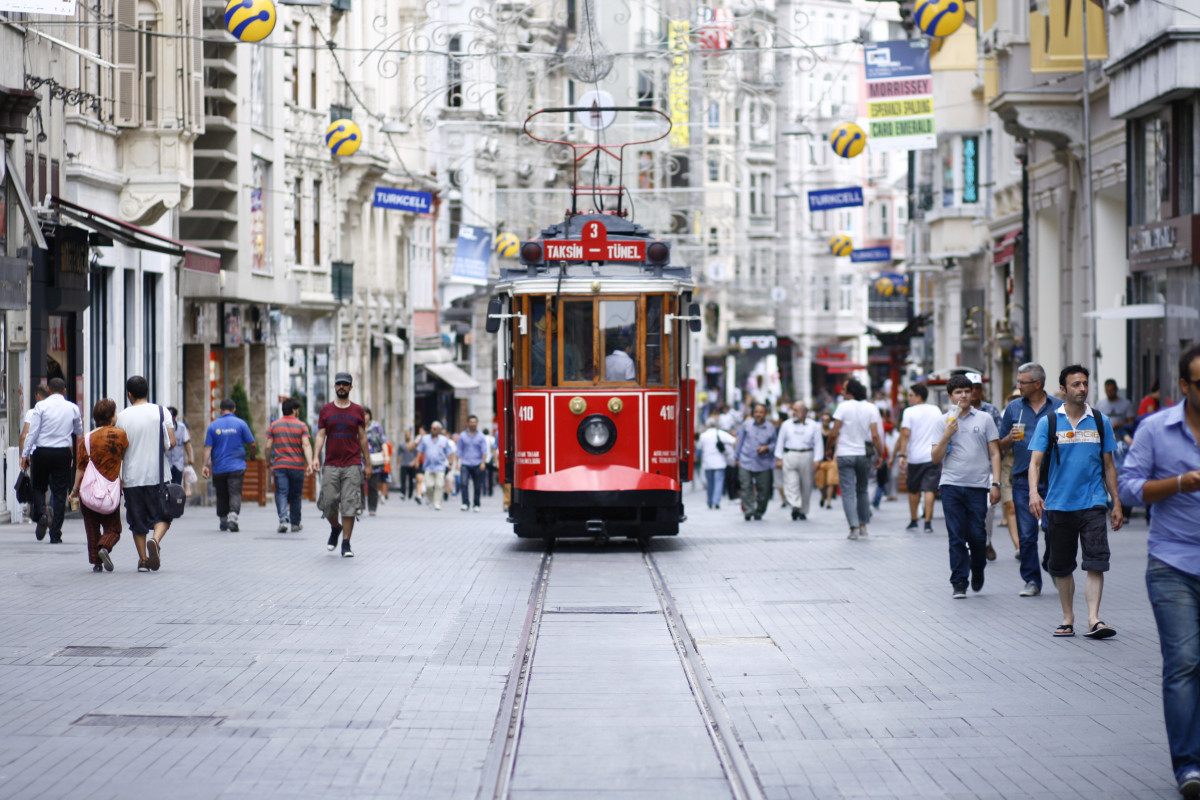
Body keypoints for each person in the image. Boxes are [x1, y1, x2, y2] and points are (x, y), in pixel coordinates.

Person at [1118, 343, 1200, 798]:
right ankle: (1189, 765)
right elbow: (1129, 491)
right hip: (1174, 562)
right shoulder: (1155, 429)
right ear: (1185, 386)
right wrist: (1178, 483)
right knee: (1184, 662)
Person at [1028, 364, 1122, 640]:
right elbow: (1035, 463)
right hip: (1058, 504)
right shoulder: (1050, 422)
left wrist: (1116, 502)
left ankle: (1093, 619)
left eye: (1085, 384)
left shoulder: (1100, 420)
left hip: (1093, 502)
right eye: (1076, 385)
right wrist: (1035, 493)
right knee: (1062, 565)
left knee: (1095, 561)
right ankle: (1068, 617)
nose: (1082, 389)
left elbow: (1109, 466)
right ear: (1063, 389)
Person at [932, 374, 1001, 599]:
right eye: (958, 392)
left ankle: (978, 568)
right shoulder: (942, 421)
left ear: (973, 393)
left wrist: (996, 483)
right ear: (950, 396)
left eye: (966, 391)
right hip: (951, 484)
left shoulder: (984, 419)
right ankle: (959, 581)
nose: (963, 395)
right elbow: (935, 457)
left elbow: (994, 452)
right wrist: (947, 435)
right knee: (956, 535)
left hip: (978, 485)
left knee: (978, 535)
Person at [999, 362, 1063, 598]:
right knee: (1026, 534)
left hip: (1054, 478)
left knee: (1052, 529)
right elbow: (999, 445)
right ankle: (1031, 580)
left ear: (1037, 384)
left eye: (1022, 382)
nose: (1018, 386)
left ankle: (1049, 563)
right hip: (1022, 478)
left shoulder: (1059, 408)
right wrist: (1009, 438)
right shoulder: (1014, 408)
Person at [115, 375, 176, 572]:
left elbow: (119, 449)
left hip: (132, 477)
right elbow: (172, 442)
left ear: (129, 394)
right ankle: (155, 540)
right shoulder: (161, 411)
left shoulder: (122, 417)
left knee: (137, 520)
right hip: (158, 476)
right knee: (164, 515)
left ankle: (142, 561)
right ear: (147, 391)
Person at [309, 372, 369, 557]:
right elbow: (320, 435)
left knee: (350, 504)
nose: (341, 387)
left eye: (345, 384)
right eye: (338, 384)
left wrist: (367, 462)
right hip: (331, 463)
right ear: (334, 387)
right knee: (328, 503)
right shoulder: (326, 410)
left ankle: (346, 543)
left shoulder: (357, 410)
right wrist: (315, 457)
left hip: (352, 463)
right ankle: (336, 527)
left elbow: (363, 437)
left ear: (351, 387)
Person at [20, 377, 82, 543]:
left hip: (42, 451)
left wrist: (25, 454)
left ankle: (41, 513)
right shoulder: (72, 408)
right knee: (60, 492)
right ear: (64, 391)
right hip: (62, 452)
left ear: (48, 390)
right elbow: (78, 429)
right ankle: (56, 534)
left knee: (39, 486)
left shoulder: (41, 406)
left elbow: (33, 432)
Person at [69, 398, 128, 572]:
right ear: (111, 417)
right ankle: (104, 547)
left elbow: (80, 468)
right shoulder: (120, 435)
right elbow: (124, 455)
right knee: (114, 528)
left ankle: (96, 562)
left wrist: (74, 490)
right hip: (110, 490)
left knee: (92, 528)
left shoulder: (87, 439)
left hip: (88, 491)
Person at [827, 378, 884, 539]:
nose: (842, 392)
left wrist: (828, 449)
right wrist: (880, 455)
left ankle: (853, 528)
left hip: (845, 453)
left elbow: (834, 432)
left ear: (850, 391)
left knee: (848, 492)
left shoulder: (843, 407)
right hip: (864, 454)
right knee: (862, 489)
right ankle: (864, 525)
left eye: (844, 389)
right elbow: (875, 435)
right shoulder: (871, 408)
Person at [201, 399, 257, 532]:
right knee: (235, 492)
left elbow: (208, 447)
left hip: (219, 467)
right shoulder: (241, 424)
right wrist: (252, 455)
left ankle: (223, 519)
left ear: (220, 410)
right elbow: (252, 444)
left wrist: (204, 465)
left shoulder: (213, 426)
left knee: (221, 494)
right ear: (234, 410)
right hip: (237, 466)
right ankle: (233, 517)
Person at [893, 383, 942, 533]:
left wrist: (902, 454)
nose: (908, 398)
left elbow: (905, 434)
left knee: (913, 489)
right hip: (932, 455)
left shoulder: (908, 412)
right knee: (929, 489)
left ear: (918, 396)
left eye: (910, 395)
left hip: (914, 457)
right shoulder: (936, 410)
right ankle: (927, 522)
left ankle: (914, 519)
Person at [969, 373, 1004, 562]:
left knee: (989, 507)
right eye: (970, 388)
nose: (973, 392)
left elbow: (997, 441)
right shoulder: (956, 412)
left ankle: (986, 541)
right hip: (966, 470)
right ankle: (972, 545)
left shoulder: (991, 411)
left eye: (977, 387)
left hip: (988, 467)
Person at [266, 398, 313, 533]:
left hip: (280, 465)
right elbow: (306, 444)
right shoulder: (302, 426)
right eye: (297, 409)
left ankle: (283, 519)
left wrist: (268, 461)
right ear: (294, 410)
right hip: (297, 466)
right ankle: (295, 523)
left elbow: (268, 445)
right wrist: (309, 463)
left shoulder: (274, 425)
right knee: (296, 495)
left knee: (281, 492)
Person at [774, 402, 822, 520]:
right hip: (790, 454)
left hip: (807, 455)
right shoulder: (786, 425)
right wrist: (779, 457)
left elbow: (818, 443)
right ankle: (795, 505)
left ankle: (803, 510)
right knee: (790, 482)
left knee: (806, 484)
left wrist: (817, 459)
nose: (794, 412)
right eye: (793, 410)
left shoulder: (814, 425)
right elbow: (780, 441)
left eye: (796, 410)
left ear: (804, 412)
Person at [733, 403, 777, 521]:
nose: (758, 414)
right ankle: (749, 510)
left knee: (764, 490)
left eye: (761, 412)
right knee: (746, 486)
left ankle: (759, 511)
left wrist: (767, 448)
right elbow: (740, 441)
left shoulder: (770, 427)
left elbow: (774, 443)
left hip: (763, 463)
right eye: (756, 412)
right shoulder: (746, 425)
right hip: (746, 460)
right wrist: (736, 457)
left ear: (765, 414)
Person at [414, 421, 455, 510]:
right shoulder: (425, 439)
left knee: (439, 485)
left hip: (440, 466)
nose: (432, 430)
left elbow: (449, 452)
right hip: (428, 466)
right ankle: (432, 500)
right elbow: (420, 450)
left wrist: (450, 463)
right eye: (431, 428)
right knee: (428, 486)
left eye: (435, 429)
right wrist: (417, 461)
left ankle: (437, 503)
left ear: (439, 430)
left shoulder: (443, 440)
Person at [698, 418, 736, 509]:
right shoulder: (721, 433)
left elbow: (699, 447)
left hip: (707, 462)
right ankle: (716, 501)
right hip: (719, 462)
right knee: (719, 482)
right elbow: (734, 441)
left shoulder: (703, 435)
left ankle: (710, 501)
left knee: (710, 483)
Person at [457, 414, 490, 512]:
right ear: (467, 423)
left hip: (477, 463)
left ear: (477, 423)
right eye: (471, 422)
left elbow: (484, 451)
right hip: (465, 463)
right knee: (463, 483)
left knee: (477, 485)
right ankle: (465, 503)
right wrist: (458, 462)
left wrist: (483, 463)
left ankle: (476, 504)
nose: (473, 424)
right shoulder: (462, 436)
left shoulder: (481, 436)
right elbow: (459, 449)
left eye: (474, 422)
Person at [364, 408, 388, 515]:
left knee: (373, 485)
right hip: (359, 459)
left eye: (366, 414)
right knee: (358, 483)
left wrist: (386, 455)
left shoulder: (376, 427)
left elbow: (383, 441)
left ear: (369, 415)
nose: (364, 417)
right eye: (362, 414)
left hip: (374, 459)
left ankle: (372, 508)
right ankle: (359, 506)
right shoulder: (356, 426)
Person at [18, 384, 49, 465]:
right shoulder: (55, 412)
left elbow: (24, 436)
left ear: (38, 396)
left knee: (37, 477)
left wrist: (22, 456)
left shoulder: (32, 412)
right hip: (53, 451)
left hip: (36, 453)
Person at [166, 406, 194, 485]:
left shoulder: (181, 428)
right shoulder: (162, 428)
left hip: (178, 462)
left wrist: (190, 457)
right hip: (166, 463)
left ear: (175, 416)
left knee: (177, 485)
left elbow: (187, 443)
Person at [398, 429, 418, 500]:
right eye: (406, 435)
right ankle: (403, 493)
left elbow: (417, 454)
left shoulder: (414, 444)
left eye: (408, 435)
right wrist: (398, 463)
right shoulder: (401, 444)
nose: (407, 436)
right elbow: (399, 455)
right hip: (404, 463)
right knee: (403, 480)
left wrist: (415, 462)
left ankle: (410, 494)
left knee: (411, 480)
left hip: (411, 464)